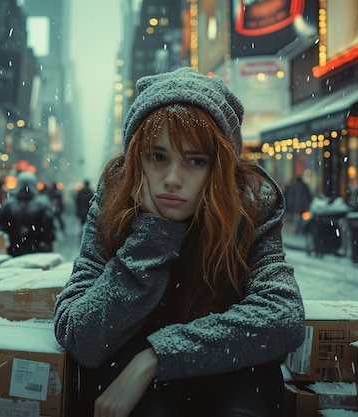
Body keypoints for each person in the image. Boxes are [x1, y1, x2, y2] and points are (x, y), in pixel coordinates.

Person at [53, 67, 305, 417]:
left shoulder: (250, 206)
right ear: (136, 159)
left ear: (219, 168)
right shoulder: (114, 200)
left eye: (195, 161)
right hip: (131, 379)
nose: (172, 179)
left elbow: (283, 316)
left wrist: (157, 357)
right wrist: (151, 237)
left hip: (226, 370)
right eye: (158, 157)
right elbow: (80, 335)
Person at [0, 171, 56, 256]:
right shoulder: (43, 203)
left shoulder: (9, 204)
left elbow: (1, 227)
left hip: (15, 248)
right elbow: (49, 230)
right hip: (38, 250)